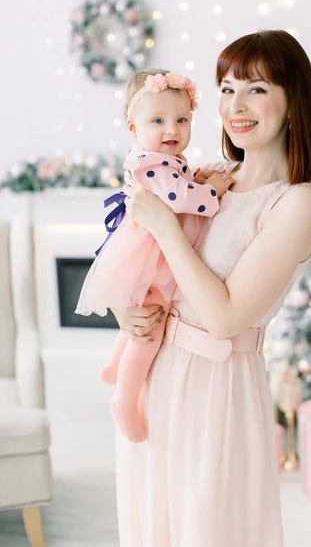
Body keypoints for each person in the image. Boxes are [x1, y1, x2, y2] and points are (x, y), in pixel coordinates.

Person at [115, 30, 311, 547]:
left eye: (256, 88)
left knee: (208, 526)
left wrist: (165, 225)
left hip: (218, 386)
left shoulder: (297, 202)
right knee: (155, 520)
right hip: (158, 374)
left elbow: (226, 317)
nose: (236, 104)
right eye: (227, 88)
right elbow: (149, 264)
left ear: (293, 100)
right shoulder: (210, 176)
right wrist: (130, 311)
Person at [75, 69, 233, 442]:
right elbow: (181, 198)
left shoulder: (160, 158)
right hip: (151, 255)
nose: (171, 130)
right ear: (133, 128)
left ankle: (115, 364)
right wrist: (215, 190)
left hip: (153, 250)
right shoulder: (151, 162)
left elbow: (175, 186)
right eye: (158, 121)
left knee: (143, 313)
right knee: (150, 327)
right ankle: (124, 400)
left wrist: (193, 176)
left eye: (181, 119)